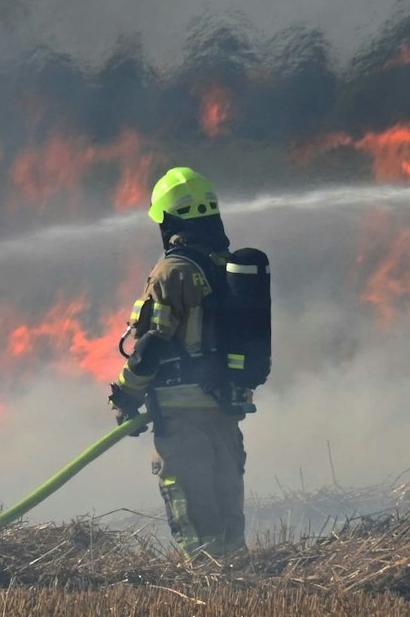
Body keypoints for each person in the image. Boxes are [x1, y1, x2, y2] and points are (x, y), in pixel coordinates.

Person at [109, 166, 264, 557]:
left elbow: (153, 344)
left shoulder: (173, 271)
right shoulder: (224, 268)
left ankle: (207, 598)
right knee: (230, 528)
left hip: (183, 421)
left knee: (196, 529)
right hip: (224, 413)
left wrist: (125, 395)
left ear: (170, 219)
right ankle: (236, 595)